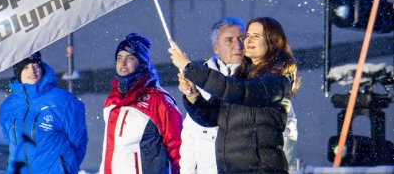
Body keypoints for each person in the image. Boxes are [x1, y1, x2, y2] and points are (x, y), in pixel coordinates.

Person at [169, 17, 300, 174]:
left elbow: (238, 90)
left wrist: (189, 67)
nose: (247, 40)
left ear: (272, 41)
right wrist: (193, 95)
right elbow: (210, 117)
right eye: (248, 35)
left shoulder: (276, 81)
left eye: (256, 36)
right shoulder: (239, 79)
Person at [99, 33, 182, 174]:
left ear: (142, 63)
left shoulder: (158, 100)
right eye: (119, 58)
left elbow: (177, 148)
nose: (123, 63)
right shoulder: (112, 100)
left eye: (130, 58)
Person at [0, 51, 88, 174]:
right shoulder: (7, 106)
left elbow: (78, 141)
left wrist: (65, 167)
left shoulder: (63, 100)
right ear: (18, 72)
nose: (32, 71)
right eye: (26, 67)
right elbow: (10, 141)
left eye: (35, 65)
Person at [179, 17, 245, 174]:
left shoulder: (258, 78)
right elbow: (190, 136)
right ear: (216, 48)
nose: (238, 45)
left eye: (241, 38)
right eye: (229, 40)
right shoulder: (200, 80)